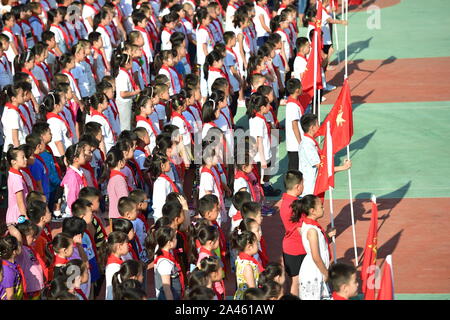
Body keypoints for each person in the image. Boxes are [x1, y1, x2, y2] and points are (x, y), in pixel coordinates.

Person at [291, 195, 336, 300]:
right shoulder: (312, 231)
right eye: (321, 207)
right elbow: (316, 256)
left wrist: (327, 236)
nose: (323, 208)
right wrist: (326, 273)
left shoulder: (312, 227)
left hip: (317, 271)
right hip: (313, 272)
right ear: (312, 211)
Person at [298, 113, 351, 196]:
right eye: (317, 124)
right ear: (312, 128)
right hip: (310, 189)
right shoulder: (307, 145)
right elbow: (321, 168)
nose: (319, 126)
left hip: (314, 186)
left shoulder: (309, 142)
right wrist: (343, 167)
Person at [279, 170, 306, 296]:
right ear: (297, 186)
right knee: (297, 282)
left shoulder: (284, 201)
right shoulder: (296, 206)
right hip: (298, 248)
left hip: (288, 246)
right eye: (303, 183)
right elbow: (302, 230)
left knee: (292, 282)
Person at [146, 225, 184, 300]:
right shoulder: (165, 263)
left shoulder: (167, 254)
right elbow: (167, 288)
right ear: (170, 243)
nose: (176, 239)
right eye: (175, 238)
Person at [231, 228, 263, 300]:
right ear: (249, 247)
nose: (258, 245)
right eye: (256, 243)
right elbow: (252, 289)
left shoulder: (240, 258)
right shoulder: (248, 266)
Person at [98, 231, 129, 300]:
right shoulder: (114, 267)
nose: (129, 245)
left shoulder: (118, 259)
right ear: (119, 246)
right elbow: (113, 290)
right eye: (127, 243)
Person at [5, 146, 28, 225]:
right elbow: (20, 201)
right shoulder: (16, 178)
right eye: (23, 157)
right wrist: (25, 217)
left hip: (16, 214)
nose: (26, 159)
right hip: (17, 216)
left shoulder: (15, 174)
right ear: (13, 161)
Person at [285, 79, 304, 171]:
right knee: (294, 168)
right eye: (301, 87)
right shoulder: (292, 106)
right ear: (297, 90)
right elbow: (294, 125)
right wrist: (300, 142)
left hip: (295, 143)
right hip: (295, 144)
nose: (302, 88)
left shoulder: (294, 103)